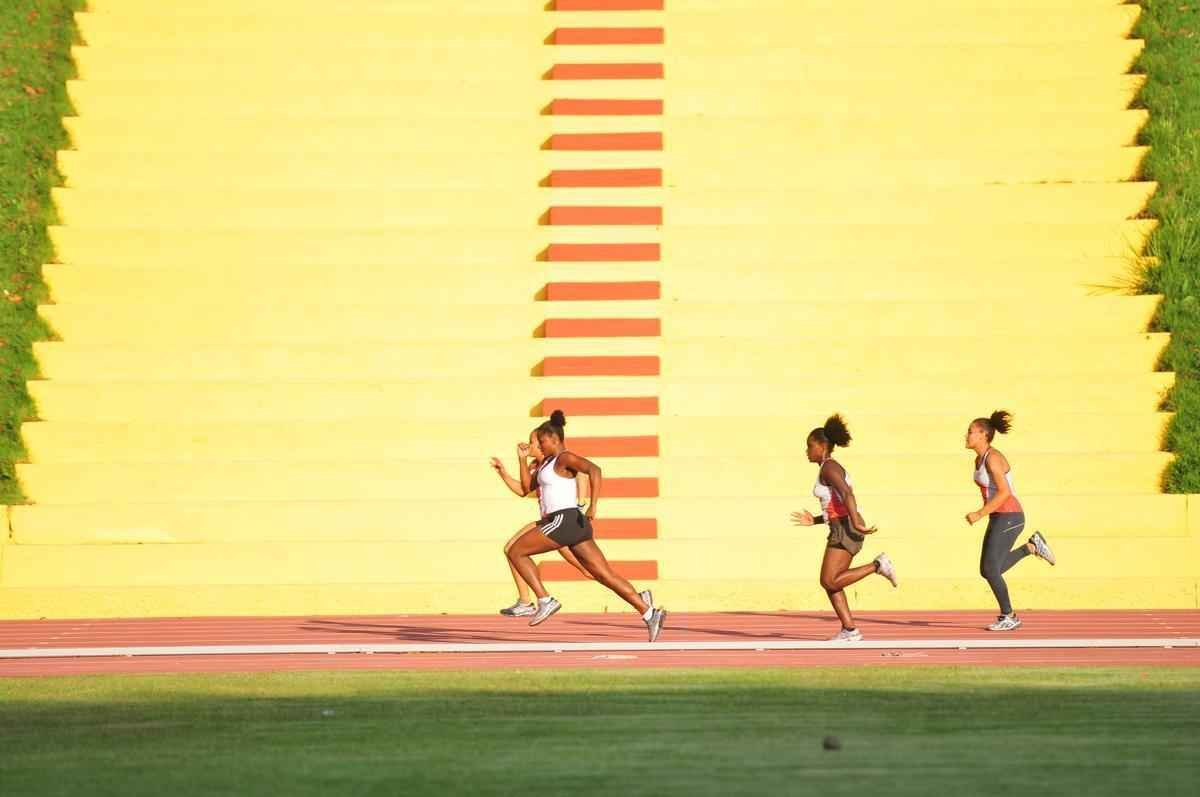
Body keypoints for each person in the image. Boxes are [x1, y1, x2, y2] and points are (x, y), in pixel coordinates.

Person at [505, 410, 666, 641]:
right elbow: (526, 487)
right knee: (603, 574)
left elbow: (594, 470)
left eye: (542, 441)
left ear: (555, 439)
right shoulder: (546, 464)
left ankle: (544, 599)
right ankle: (650, 612)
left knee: (515, 550)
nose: (539, 445)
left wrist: (593, 505)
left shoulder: (564, 458)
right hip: (572, 525)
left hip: (564, 519)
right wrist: (521, 460)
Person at [791, 414, 897, 642]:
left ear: (822, 446)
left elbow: (847, 493)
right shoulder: (828, 468)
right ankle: (850, 630)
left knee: (829, 580)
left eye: (809, 446)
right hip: (841, 526)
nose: (806, 451)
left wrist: (857, 522)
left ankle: (878, 565)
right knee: (833, 581)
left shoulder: (829, 468)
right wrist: (817, 520)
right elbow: (836, 503)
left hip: (846, 528)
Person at [964, 410, 1056, 631]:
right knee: (988, 570)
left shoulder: (993, 458)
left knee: (990, 569)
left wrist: (979, 513)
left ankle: (1009, 616)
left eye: (970, 432)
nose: (966, 435)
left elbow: (1004, 492)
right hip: (1000, 517)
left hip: (1010, 516)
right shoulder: (979, 459)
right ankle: (1031, 546)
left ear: (983, 435)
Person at [490, 430, 596, 617]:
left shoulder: (557, 461)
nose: (528, 444)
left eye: (532, 441)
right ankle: (525, 601)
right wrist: (503, 473)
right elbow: (523, 490)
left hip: (562, 523)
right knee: (511, 548)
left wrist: (581, 504)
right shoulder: (536, 466)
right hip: (548, 522)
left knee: (588, 569)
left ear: (541, 445)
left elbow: (583, 474)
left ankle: (636, 595)